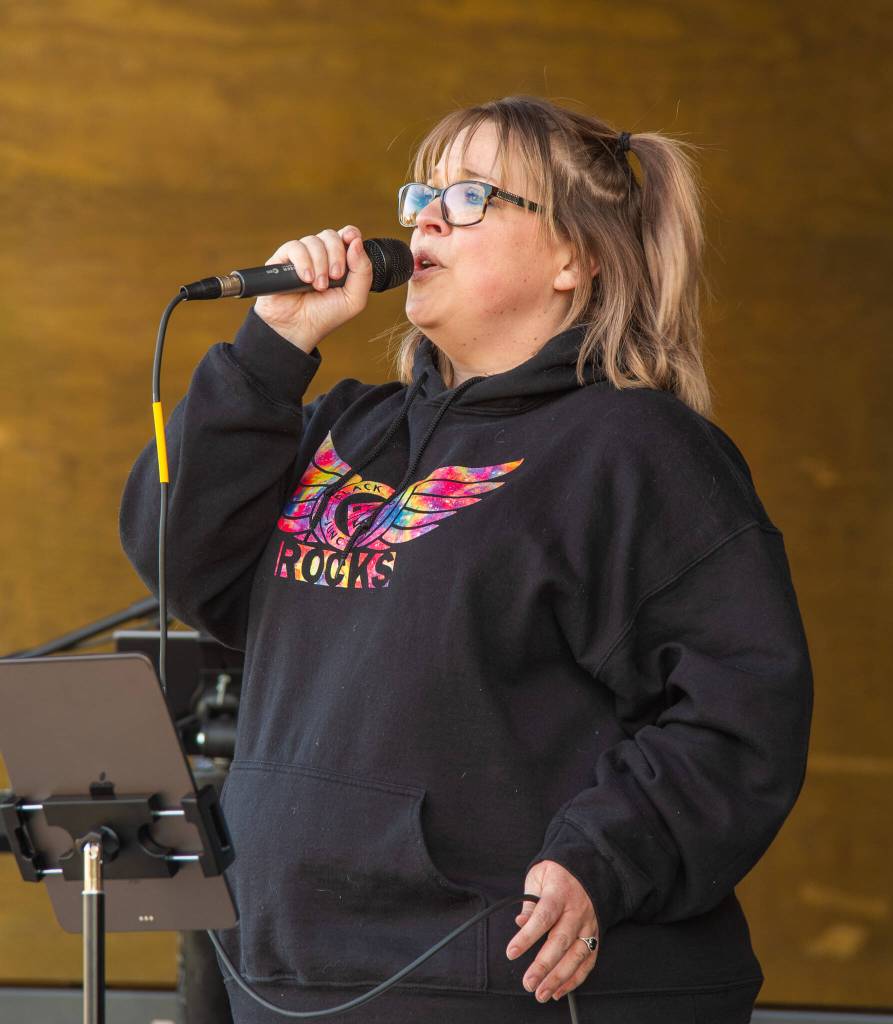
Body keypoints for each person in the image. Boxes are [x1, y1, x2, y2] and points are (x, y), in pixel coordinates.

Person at [119, 95, 813, 1024]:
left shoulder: (633, 449)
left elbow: (739, 712)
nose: (425, 219)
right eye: (420, 193)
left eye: (472, 196)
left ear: (574, 257)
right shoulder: (344, 427)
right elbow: (175, 556)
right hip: (294, 972)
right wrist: (274, 346)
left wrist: (603, 859)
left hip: (495, 978)